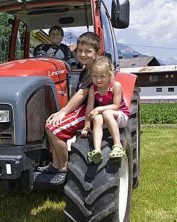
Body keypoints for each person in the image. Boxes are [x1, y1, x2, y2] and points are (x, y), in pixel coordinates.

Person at [39, 32, 101, 184]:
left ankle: (64, 167)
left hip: (89, 110)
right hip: (81, 108)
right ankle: (55, 164)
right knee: (50, 124)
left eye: (88, 51)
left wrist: (63, 111)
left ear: (97, 53)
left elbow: (82, 94)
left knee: (54, 129)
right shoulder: (86, 68)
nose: (83, 54)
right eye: (80, 51)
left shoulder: (94, 70)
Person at [80, 56, 130, 164]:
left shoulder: (116, 86)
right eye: (94, 76)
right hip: (105, 116)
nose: (98, 80)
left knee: (106, 113)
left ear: (109, 75)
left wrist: (99, 108)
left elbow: (116, 106)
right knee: (97, 118)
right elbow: (89, 106)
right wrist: (87, 125)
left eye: (102, 76)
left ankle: (117, 145)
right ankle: (97, 150)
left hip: (120, 116)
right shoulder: (93, 88)